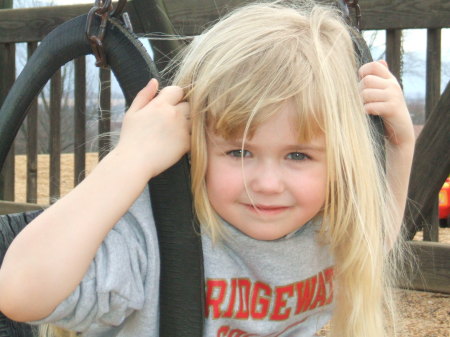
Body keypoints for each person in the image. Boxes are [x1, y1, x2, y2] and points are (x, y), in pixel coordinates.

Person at [0, 1, 415, 337]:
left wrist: (401, 145)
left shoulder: (322, 229)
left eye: (298, 156)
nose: (266, 186)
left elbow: (373, 242)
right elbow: (18, 292)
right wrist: (130, 160)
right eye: (238, 152)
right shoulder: (154, 235)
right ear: (194, 146)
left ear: (344, 159)